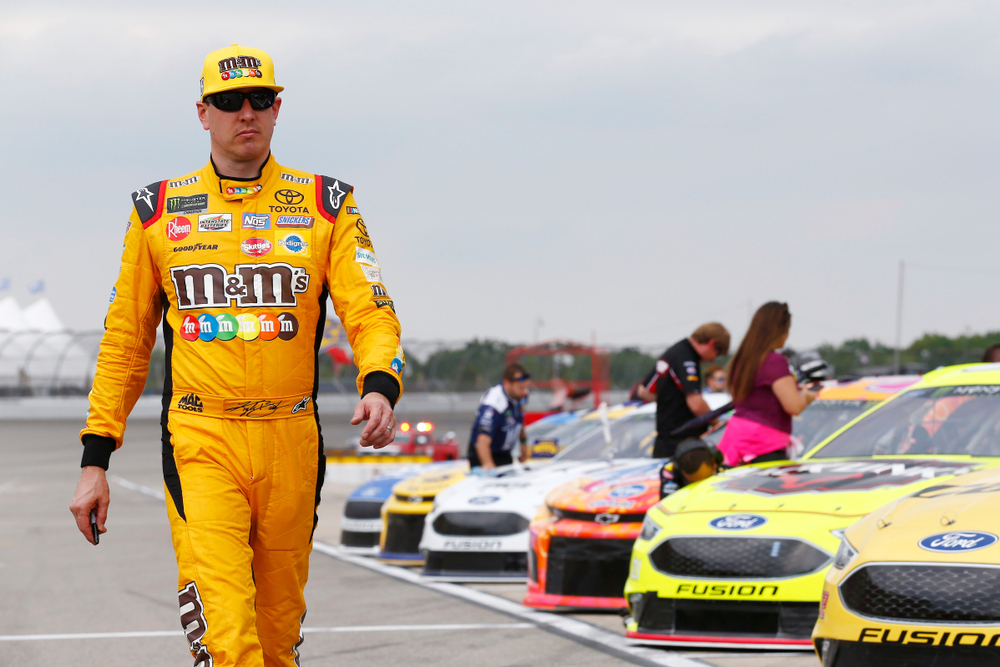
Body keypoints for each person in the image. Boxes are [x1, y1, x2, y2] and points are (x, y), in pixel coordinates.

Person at [68, 45, 405, 667]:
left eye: (259, 100)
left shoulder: (329, 203)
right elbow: (124, 344)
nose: (244, 113)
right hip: (201, 438)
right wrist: (96, 459)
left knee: (276, 645)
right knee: (229, 641)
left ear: (279, 109)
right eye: (228, 102)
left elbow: (370, 308)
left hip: (292, 440)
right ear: (203, 112)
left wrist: (381, 382)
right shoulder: (156, 211)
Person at [718, 301, 817, 467]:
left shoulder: (742, 360)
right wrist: (806, 396)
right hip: (764, 445)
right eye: (787, 330)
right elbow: (794, 406)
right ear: (779, 331)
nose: (787, 336)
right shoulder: (774, 361)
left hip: (736, 442)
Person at [646, 323, 731, 458]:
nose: (713, 359)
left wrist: (670, 402)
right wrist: (718, 424)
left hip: (666, 440)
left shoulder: (675, 352)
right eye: (718, 352)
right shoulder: (687, 357)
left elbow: (644, 392)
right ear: (711, 343)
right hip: (682, 445)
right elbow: (696, 404)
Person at [468, 364, 531, 470]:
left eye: (526, 387)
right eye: (521, 388)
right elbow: (482, 438)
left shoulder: (521, 395)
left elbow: (519, 419)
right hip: (484, 454)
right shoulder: (494, 403)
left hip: (504, 453)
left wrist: (523, 443)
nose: (524, 392)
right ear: (507, 383)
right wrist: (487, 463)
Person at [658, 438, 723, 499]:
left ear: (714, 464)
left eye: (707, 479)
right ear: (680, 471)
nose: (701, 488)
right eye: (693, 483)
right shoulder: (670, 472)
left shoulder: (726, 472)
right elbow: (668, 504)